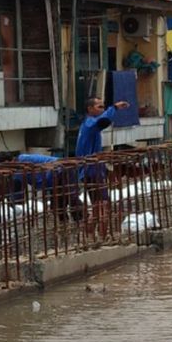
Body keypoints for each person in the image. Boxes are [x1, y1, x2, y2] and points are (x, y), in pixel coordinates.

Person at [75, 97, 131, 237]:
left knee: (96, 206)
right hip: (92, 170)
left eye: (103, 107)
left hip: (89, 170)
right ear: (90, 109)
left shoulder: (87, 125)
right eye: (99, 107)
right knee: (103, 206)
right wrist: (115, 108)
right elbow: (103, 121)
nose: (102, 109)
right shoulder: (90, 124)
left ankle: (89, 236)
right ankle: (102, 237)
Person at [8, 153, 83, 223]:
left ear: (8, 161)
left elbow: (17, 191)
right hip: (56, 174)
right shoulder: (22, 160)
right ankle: (68, 226)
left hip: (59, 172)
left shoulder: (19, 165)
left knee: (70, 200)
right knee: (59, 205)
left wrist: (14, 202)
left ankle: (82, 222)